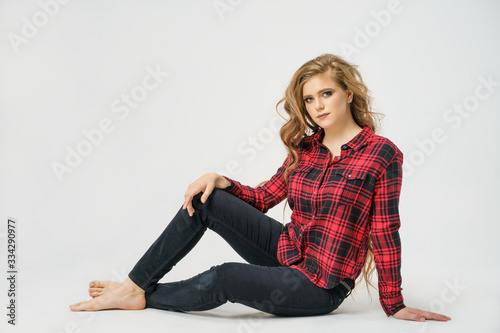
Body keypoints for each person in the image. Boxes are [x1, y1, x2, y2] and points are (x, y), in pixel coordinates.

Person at [70, 54, 451, 322]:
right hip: (287, 250)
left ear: (348, 94)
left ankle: (143, 297)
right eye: (309, 98)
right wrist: (221, 180)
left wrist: (394, 303)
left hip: (319, 284)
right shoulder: (306, 148)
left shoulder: (382, 155)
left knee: (225, 277)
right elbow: (264, 197)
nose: (317, 105)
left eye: (326, 93)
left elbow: (386, 232)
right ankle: (133, 284)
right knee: (209, 199)